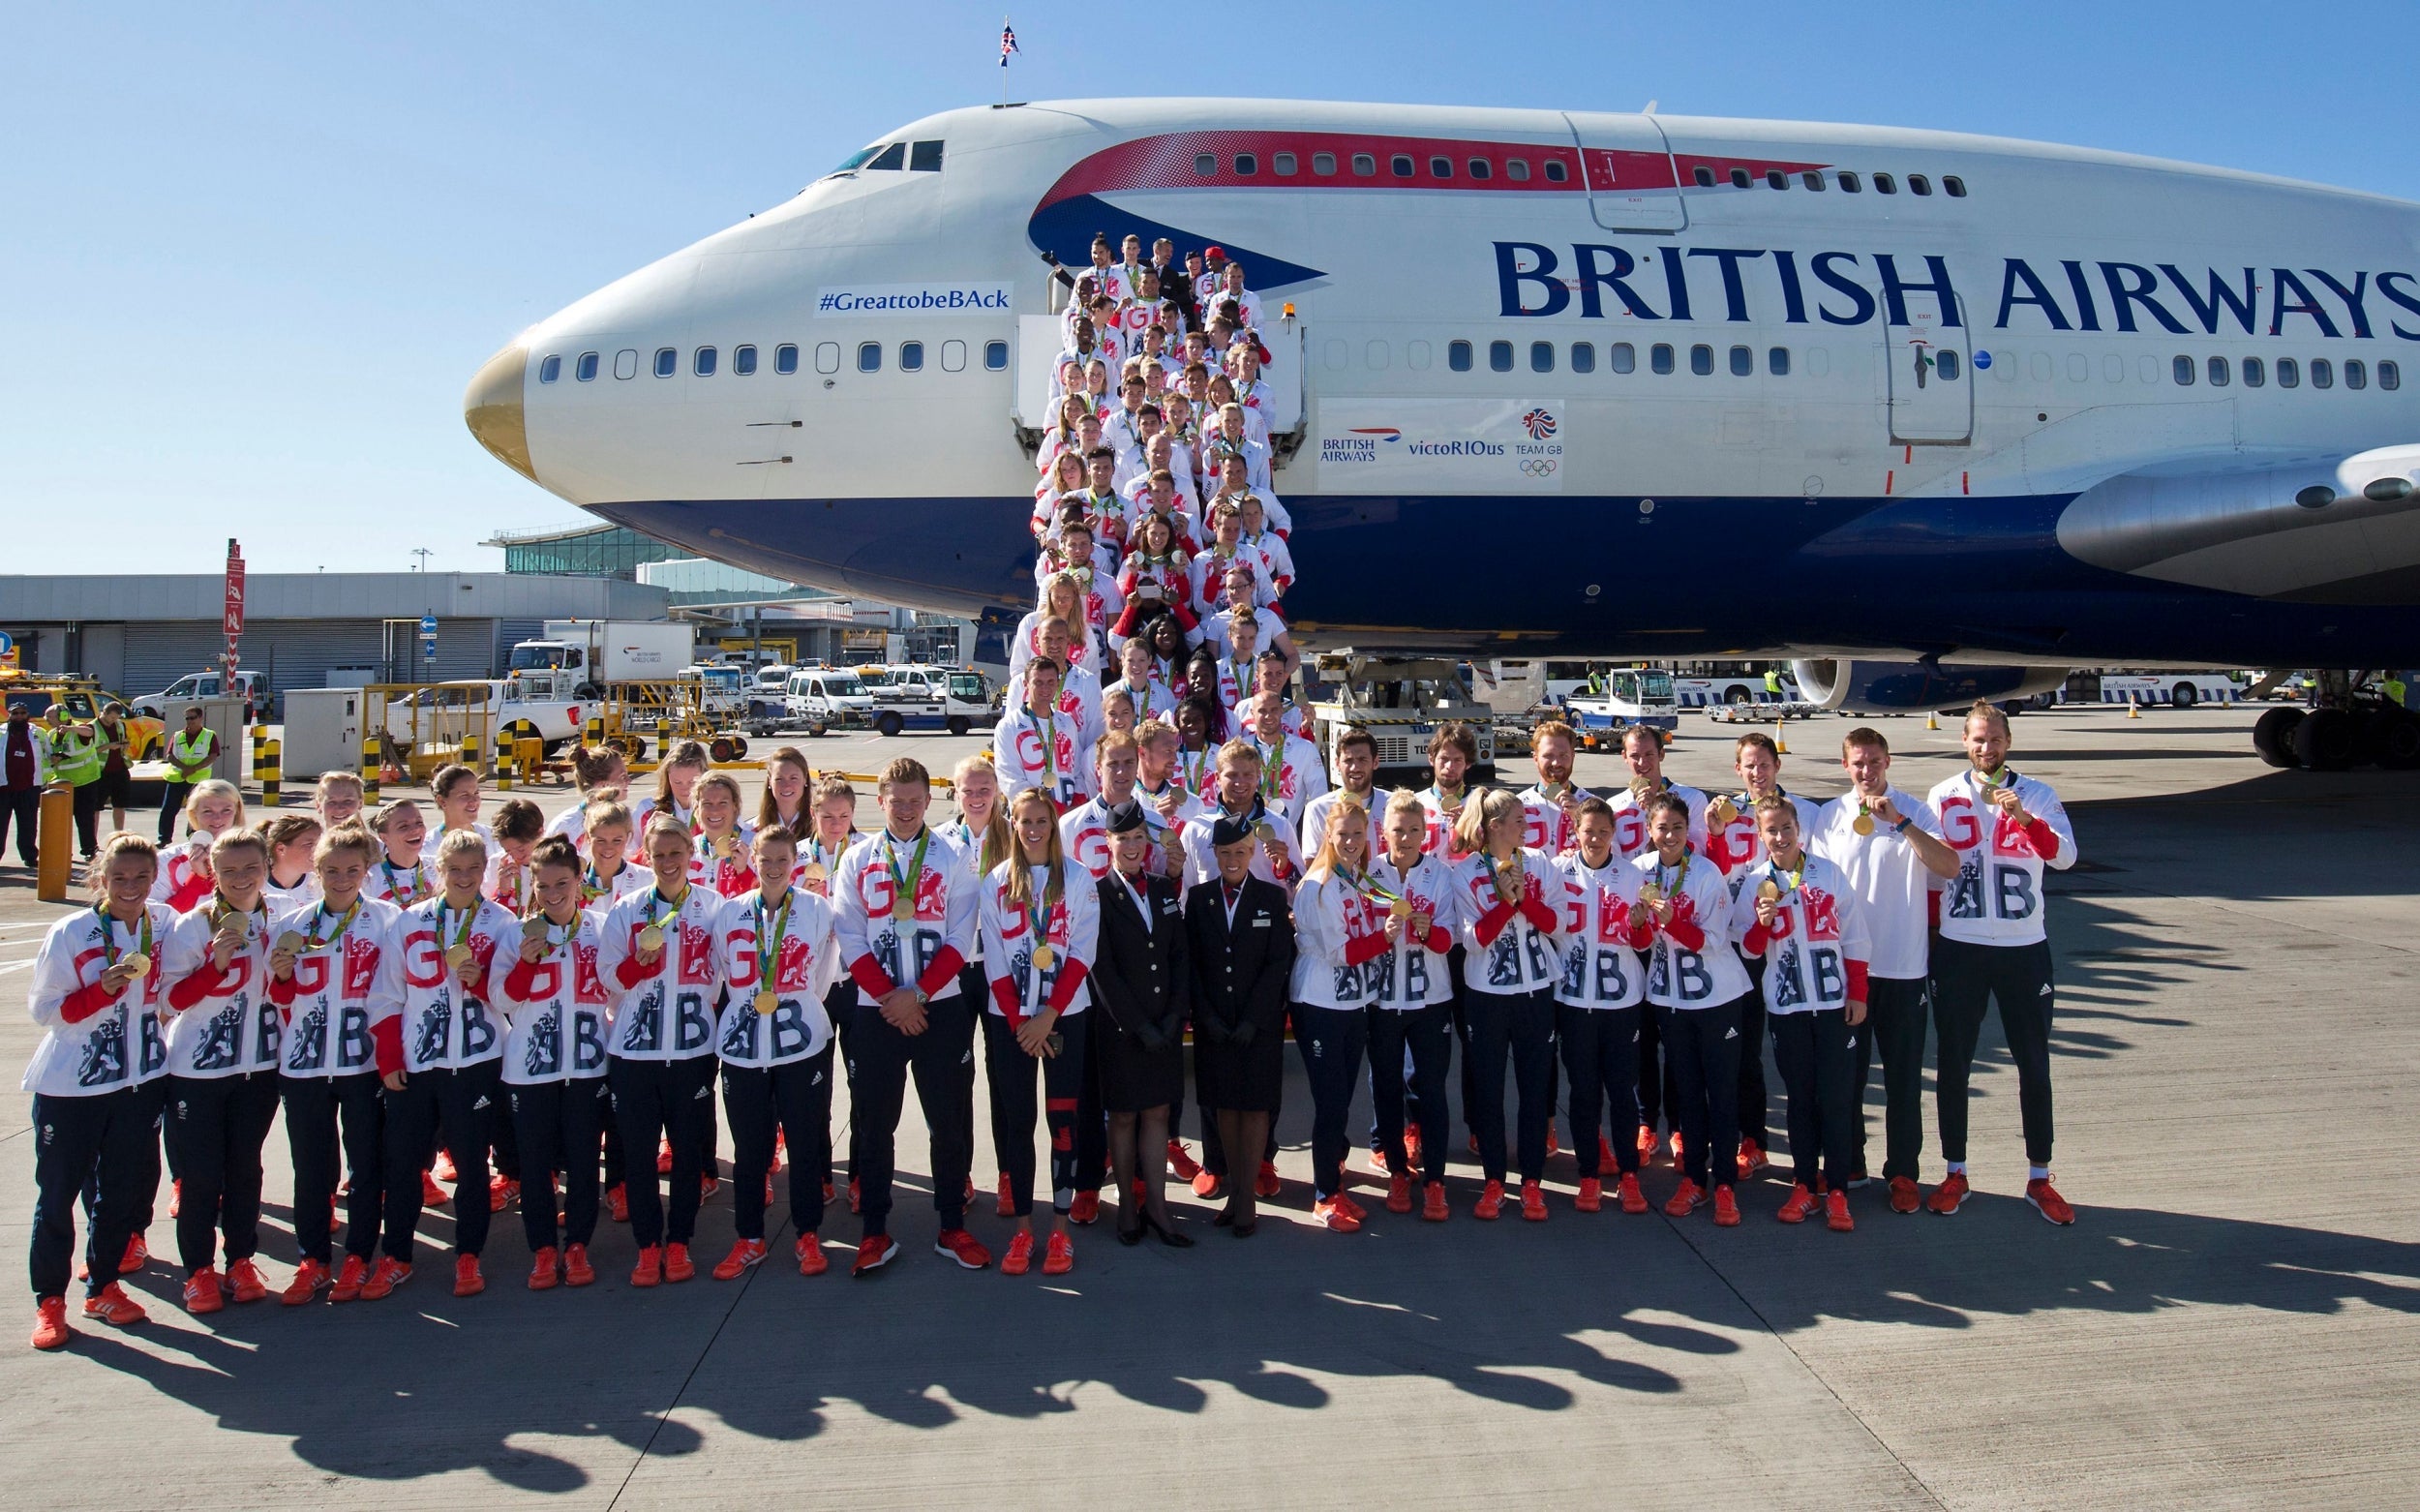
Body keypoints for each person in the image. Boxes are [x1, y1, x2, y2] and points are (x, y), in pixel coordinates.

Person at [832, 758, 988, 1277]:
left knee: (948, 1121)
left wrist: (917, 994)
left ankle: (951, 1224)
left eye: (914, 800)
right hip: (876, 1011)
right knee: (874, 1124)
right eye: (895, 800)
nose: (904, 809)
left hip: (938, 1007)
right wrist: (891, 999)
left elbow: (962, 937)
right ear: (880, 802)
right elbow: (850, 937)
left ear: (929, 801)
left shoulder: (954, 857)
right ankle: (875, 1230)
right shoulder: (856, 858)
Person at [1925, 701, 2079, 1224]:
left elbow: (2064, 856)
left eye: (1993, 739)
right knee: (1953, 1059)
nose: (1985, 748)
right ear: (1964, 742)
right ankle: (1955, 1170)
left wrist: (2023, 816)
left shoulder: (2037, 794)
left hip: (2022, 946)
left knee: (2033, 1061)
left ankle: (2040, 1177)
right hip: (1961, 945)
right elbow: (1929, 868)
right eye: (1976, 739)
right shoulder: (1944, 794)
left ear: (2008, 742)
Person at [25, 833, 169, 1349]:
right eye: (119, 878)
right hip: (72, 1089)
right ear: (101, 880)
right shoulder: (71, 932)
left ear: (155, 879)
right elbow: (45, 1011)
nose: (130, 887)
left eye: (141, 878)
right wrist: (98, 991)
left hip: (138, 1082)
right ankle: (50, 1301)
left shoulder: (165, 926)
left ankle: (103, 1285)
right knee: (59, 1195)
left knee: (120, 1194)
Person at [363, 827, 515, 1301]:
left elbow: (515, 995)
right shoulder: (409, 922)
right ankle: (397, 1254)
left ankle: (468, 1253)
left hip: (477, 1061)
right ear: (438, 871)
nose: (465, 877)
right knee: (404, 1162)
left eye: (474, 869)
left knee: (472, 1163)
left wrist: (483, 979)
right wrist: (389, 1058)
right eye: (455, 870)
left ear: (485, 870)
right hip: (418, 1062)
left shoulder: (503, 921)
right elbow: (386, 995)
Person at [1812, 727, 1957, 1213]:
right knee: (1848, 1075)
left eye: (1874, 761)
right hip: (1850, 967)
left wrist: (1902, 824)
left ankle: (1903, 1172)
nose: (1867, 770)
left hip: (1903, 966)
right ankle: (1850, 1162)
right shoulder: (1829, 817)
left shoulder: (1915, 810)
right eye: (1858, 762)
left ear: (1888, 761)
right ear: (1845, 766)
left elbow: (1949, 867)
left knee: (1903, 1078)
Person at [267, 822, 396, 1304]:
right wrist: (281, 976)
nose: (342, 878)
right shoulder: (293, 924)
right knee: (312, 1167)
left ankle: (360, 1256)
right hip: (304, 1064)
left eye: (352, 869)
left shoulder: (387, 920)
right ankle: (314, 1259)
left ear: (366, 871)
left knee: (364, 1163)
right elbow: (278, 998)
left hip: (361, 1064)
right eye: (331, 870)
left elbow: (395, 992)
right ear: (316, 870)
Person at [159, 828, 285, 1313]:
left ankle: (240, 1260)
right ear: (213, 871)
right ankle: (198, 1272)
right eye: (228, 869)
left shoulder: (282, 917)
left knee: (245, 1167)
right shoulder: (192, 925)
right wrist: (214, 965)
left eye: (250, 867)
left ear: (265, 867)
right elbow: (169, 1000)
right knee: (201, 1175)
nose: (240, 878)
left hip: (258, 1066)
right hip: (198, 1070)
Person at [596, 815, 726, 1286]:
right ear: (645, 857)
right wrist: (635, 968)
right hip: (634, 1053)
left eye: (676, 853)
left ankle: (680, 1241)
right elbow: (606, 977)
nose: (668, 862)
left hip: (692, 1050)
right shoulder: (626, 909)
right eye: (659, 854)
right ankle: (649, 1246)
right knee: (638, 1154)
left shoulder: (714, 907)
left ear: (691, 854)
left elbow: (729, 972)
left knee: (689, 1153)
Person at [711, 825, 842, 1280]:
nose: (772, 868)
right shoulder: (729, 913)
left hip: (800, 1043)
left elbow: (822, 977)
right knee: (750, 1149)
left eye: (782, 861)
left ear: (795, 864)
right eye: (765, 860)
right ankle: (749, 1238)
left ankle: (808, 1235)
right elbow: (724, 975)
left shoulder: (817, 910)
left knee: (805, 1144)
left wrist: (798, 1008)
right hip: (745, 1047)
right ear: (754, 862)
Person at [1735, 797, 1871, 1231]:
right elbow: (1749, 950)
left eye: (1786, 828)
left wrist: (1859, 992)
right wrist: (1762, 922)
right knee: (1800, 1096)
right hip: (1788, 1004)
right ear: (1761, 835)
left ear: (1799, 829)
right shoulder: (1756, 882)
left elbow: (1854, 935)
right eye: (1771, 830)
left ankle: (1837, 1191)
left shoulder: (1828, 872)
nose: (1780, 837)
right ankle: (1803, 1183)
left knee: (1835, 1097)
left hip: (1833, 1002)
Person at [980, 789, 1100, 1277]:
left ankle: (1061, 1231)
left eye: (1042, 821)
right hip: (1011, 1019)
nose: (1032, 829)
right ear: (1012, 823)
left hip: (1064, 1016)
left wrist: (1047, 1016)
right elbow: (993, 960)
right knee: (1018, 1124)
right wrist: (1022, 1025)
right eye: (1024, 820)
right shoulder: (996, 882)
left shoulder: (1078, 877)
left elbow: (1082, 954)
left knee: (1063, 1125)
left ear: (1054, 825)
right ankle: (1024, 1229)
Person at [1702, 731, 1826, 1181]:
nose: (1758, 772)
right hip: (1745, 941)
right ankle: (1752, 1138)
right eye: (1749, 765)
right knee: (1745, 1047)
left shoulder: (1805, 813)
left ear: (1778, 765)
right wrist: (1716, 833)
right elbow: (1711, 872)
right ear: (1738, 770)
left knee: (1800, 1051)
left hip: (1796, 942)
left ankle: (1821, 1150)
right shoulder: (1723, 813)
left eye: (1765, 763)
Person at [492, 834, 612, 1290]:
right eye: (542, 886)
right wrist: (525, 965)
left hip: (586, 1067)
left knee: (583, 1159)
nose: (553, 893)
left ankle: (578, 1243)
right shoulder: (516, 933)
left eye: (562, 883)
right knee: (536, 1163)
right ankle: (543, 1249)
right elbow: (500, 997)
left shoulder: (600, 928)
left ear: (580, 881)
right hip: (530, 1069)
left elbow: (617, 992)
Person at [1628, 792, 1752, 1226]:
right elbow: (1639, 944)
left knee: (1720, 1091)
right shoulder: (1638, 872)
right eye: (1662, 827)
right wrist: (1641, 924)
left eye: (1678, 828)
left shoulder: (1706, 873)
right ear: (1649, 830)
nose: (1670, 835)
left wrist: (1670, 921)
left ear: (1689, 830)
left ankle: (1724, 1185)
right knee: (1686, 1091)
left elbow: (1713, 941)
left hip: (1717, 997)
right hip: (1669, 997)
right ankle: (1695, 1179)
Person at [1449, 788, 1562, 1222]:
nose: (1526, 826)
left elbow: (1558, 923)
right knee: (1489, 1091)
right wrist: (1503, 901)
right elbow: (1473, 942)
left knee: (1535, 1089)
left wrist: (1523, 900)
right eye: (1518, 820)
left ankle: (1532, 1182)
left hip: (1536, 992)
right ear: (1495, 827)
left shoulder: (1540, 863)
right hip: (1487, 996)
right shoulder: (1463, 874)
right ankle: (1494, 1180)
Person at [1088, 801, 1193, 1247]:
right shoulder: (1097, 893)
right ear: (1108, 842)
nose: (1131, 846)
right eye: (1122, 838)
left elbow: (1178, 956)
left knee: (1159, 1114)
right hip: (1122, 1030)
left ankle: (1158, 1206)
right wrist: (1138, 1026)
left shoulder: (1163, 889)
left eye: (1137, 838)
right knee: (1125, 1116)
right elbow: (1101, 969)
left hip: (1164, 1026)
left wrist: (1173, 1017)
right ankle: (1128, 1209)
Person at [1185, 816, 1294, 1237]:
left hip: (1257, 1024)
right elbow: (1192, 962)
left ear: (1252, 852)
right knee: (1224, 1106)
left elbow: (1277, 964)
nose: (1232, 860)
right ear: (1214, 854)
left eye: (1240, 852)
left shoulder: (1270, 896)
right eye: (1225, 852)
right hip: (1215, 1023)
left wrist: (1254, 1018)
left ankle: (1246, 1196)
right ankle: (1233, 1189)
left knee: (1254, 1107)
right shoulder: (1199, 899)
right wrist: (1206, 1016)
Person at [1290, 801, 1392, 1233]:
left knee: (1343, 1099)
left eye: (1358, 834)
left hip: (1352, 1002)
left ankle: (1334, 1177)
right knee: (1330, 1103)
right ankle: (1323, 1196)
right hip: (1321, 1003)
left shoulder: (1355, 878)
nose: (1351, 843)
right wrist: (1386, 939)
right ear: (1327, 836)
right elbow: (1341, 952)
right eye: (1342, 835)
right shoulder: (1319, 885)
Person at [1608, 726, 1708, 1169]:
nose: (1642, 763)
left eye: (1648, 754)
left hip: (1682, 932)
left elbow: (1702, 854)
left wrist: (1661, 823)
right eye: (1634, 756)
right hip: (1639, 931)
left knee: (1679, 1035)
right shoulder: (1615, 807)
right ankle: (1647, 1120)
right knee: (1643, 1035)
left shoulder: (1691, 800)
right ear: (1625, 759)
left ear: (1661, 754)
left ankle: (1681, 1124)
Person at [1553, 798, 1652, 1216]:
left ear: (1615, 833)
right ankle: (1589, 1175)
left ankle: (1629, 1174)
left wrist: (1638, 925)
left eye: (1603, 831)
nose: (1594, 839)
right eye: (1587, 830)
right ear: (1575, 831)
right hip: (1574, 1000)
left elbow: (1645, 944)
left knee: (1623, 1092)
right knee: (1583, 1091)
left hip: (1621, 1001)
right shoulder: (1558, 872)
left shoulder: (1633, 876)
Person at [993, 655, 1091, 811]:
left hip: (1067, 815)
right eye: (1038, 682)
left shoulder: (1066, 722)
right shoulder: (1008, 726)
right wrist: (1049, 809)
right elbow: (1010, 779)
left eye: (1050, 682)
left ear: (1058, 684)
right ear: (1026, 685)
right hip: (1031, 818)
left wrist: (1078, 802)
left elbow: (1076, 769)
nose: (1045, 688)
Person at [151, 779, 244, 914]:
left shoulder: (254, 857)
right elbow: (159, 922)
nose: (217, 818)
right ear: (194, 814)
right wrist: (198, 878)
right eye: (207, 811)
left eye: (226, 810)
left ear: (237, 811)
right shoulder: (166, 861)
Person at [1243, 688, 1326, 832]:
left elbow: (1320, 800)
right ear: (1252, 713)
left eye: (1274, 710)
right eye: (1262, 711)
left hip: (1287, 837)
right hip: (1245, 840)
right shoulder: (1240, 749)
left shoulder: (1304, 749)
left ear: (1282, 711)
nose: (1269, 716)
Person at [42, 707, 104, 862]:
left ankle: (89, 849)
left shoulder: (78, 728)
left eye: (50, 717)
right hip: (62, 783)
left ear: (63, 716)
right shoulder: (52, 734)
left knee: (84, 818)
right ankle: (63, 850)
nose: (47, 720)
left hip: (85, 780)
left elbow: (89, 732)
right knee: (61, 820)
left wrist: (69, 728)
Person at [544, 744, 631, 851]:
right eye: (623, 777)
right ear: (602, 785)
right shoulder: (565, 827)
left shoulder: (628, 818)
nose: (629, 780)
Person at [155, 707, 220, 846]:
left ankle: (193, 836)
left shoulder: (209, 735)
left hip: (198, 779)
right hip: (177, 777)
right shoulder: (178, 735)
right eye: (187, 718)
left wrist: (194, 769)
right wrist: (185, 768)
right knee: (168, 809)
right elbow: (170, 755)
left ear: (200, 718)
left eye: (192, 718)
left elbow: (213, 756)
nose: (189, 721)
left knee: (196, 810)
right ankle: (163, 838)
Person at [93, 704, 137, 841]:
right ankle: (92, 840)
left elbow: (125, 739)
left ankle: (118, 835)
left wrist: (124, 744)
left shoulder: (120, 725)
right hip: (101, 772)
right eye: (111, 717)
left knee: (120, 805)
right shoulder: (92, 727)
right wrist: (108, 747)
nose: (113, 720)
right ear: (104, 712)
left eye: (116, 718)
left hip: (120, 769)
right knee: (95, 807)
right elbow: (88, 751)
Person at [261, 813, 323, 910]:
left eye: (319, 844)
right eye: (309, 844)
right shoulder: (256, 885)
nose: (317, 850)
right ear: (281, 849)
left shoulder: (320, 885)